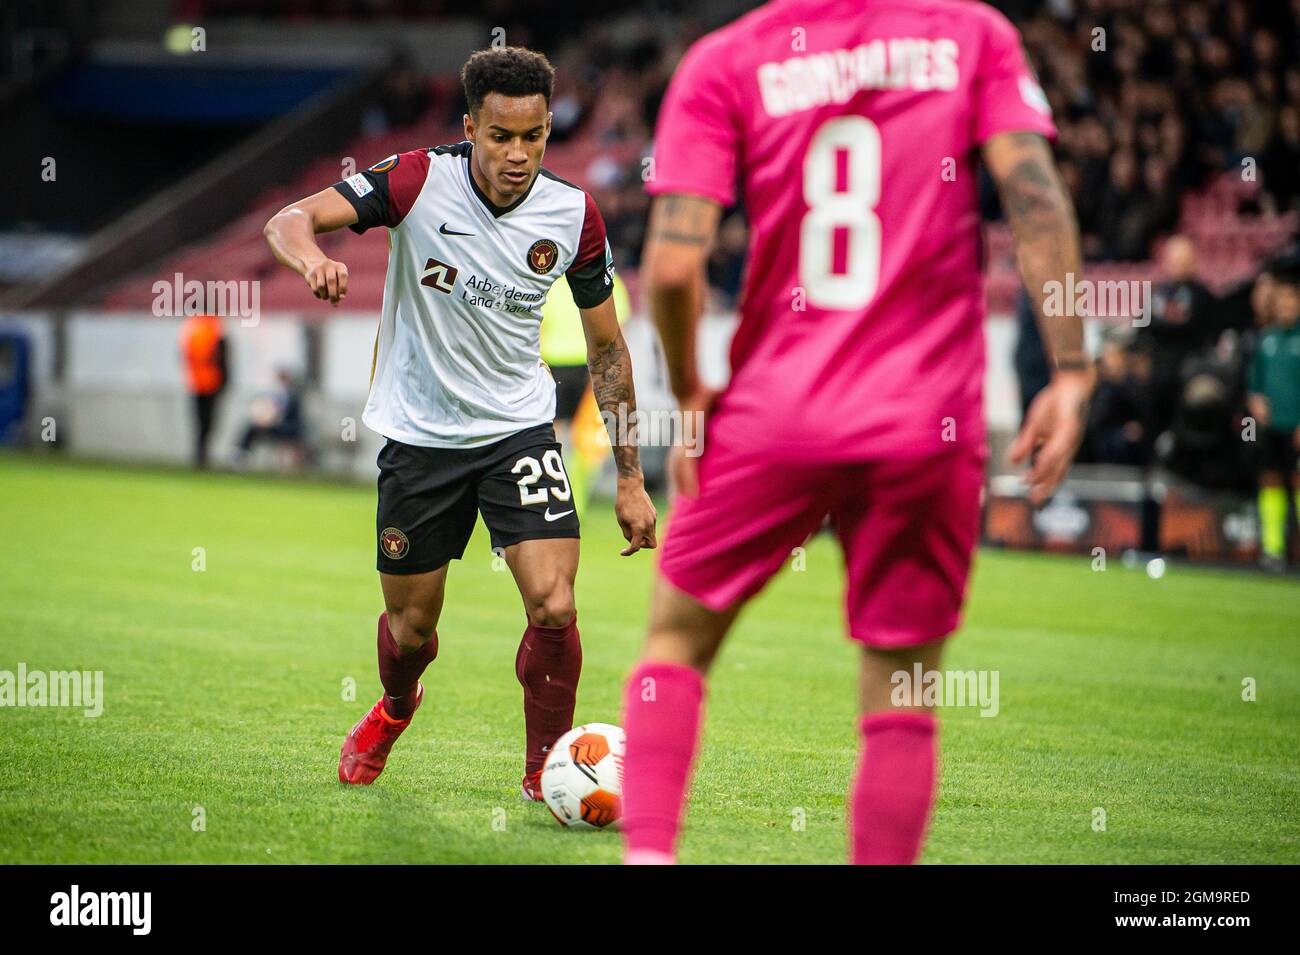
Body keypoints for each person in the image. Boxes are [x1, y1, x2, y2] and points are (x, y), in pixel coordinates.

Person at [621, 0, 1094, 865]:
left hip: (773, 414)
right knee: (901, 693)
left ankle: (649, 856)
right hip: (925, 421)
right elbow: (1035, 200)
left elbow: (674, 265)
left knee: (676, 641)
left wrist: (691, 388)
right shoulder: (972, 35)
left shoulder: (727, 59)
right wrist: (1069, 368)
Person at [262, 46, 658, 797]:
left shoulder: (573, 214)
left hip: (517, 428)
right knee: (412, 628)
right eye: (501, 136)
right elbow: (291, 218)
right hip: (421, 437)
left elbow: (607, 347)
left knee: (555, 601)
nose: (518, 154)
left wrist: (632, 478)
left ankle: (545, 770)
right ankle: (395, 706)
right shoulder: (417, 180)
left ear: (548, 130)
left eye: (534, 137)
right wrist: (310, 259)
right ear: (471, 126)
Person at [1246, 267, 1300, 571]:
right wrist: (1255, 402)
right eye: (1280, 301)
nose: (1285, 307)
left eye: (1291, 300)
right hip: (1271, 426)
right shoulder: (1266, 339)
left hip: (1296, 425)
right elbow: (1255, 383)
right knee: (1270, 481)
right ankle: (1273, 547)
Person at [179, 310, 228, 468]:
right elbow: (222, 354)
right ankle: (202, 456)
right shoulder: (215, 326)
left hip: (195, 381)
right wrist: (226, 379)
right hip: (213, 381)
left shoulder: (191, 325)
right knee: (208, 422)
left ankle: (200, 454)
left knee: (199, 421)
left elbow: (184, 353)